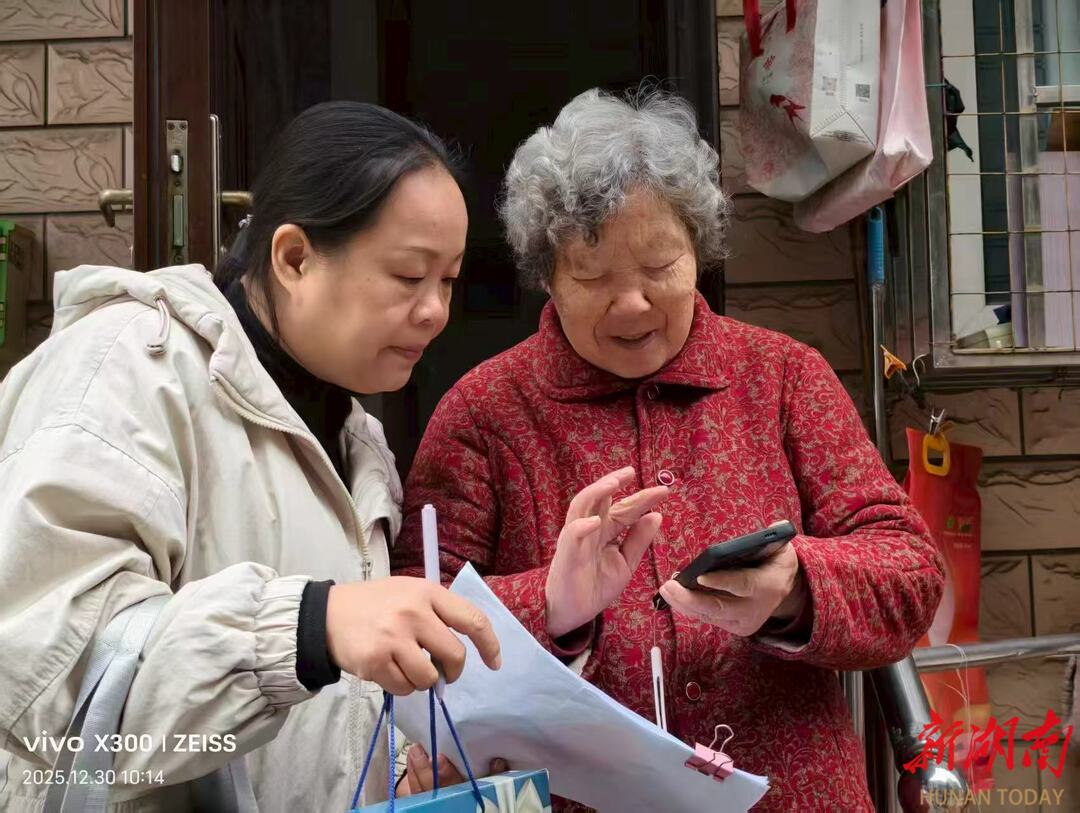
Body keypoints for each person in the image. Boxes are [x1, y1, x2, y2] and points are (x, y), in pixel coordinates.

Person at [394, 88, 944, 812]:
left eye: (660, 267)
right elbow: (412, 619)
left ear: (700, 251)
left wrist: (795, 586)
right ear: (548, 275)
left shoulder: (781, 378)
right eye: (592, 277)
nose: (632, 304)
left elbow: (910, 574)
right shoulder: (484, 411)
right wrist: (554, 608)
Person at [0, 101, 502, 812]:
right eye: (408, 275)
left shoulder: (359, 438)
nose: (435, 311)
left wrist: (396, 767)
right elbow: (42, 689)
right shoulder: (125, 371)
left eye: (448, 279)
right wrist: (306, 626)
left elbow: (307, 721)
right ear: (294, 257)